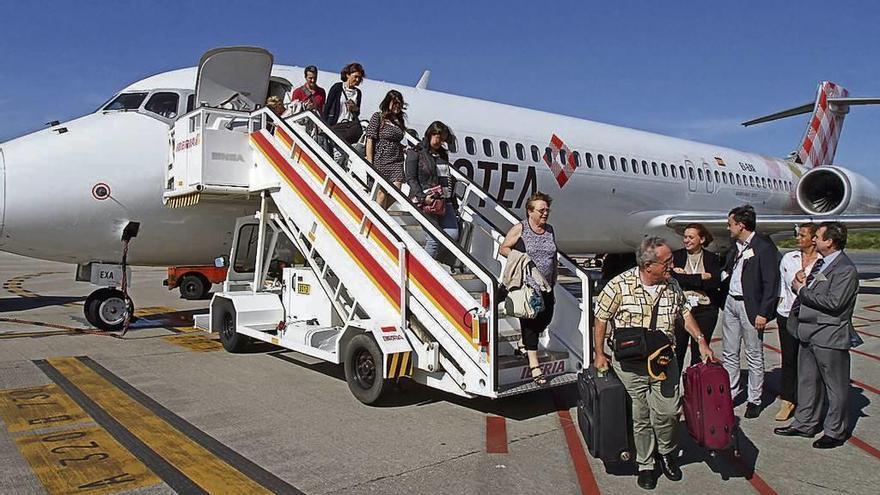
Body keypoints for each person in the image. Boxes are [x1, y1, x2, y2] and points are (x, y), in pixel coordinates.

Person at [594, 237, 715, 490]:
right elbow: (601, 319)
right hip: (631, 363)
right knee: (641, 415)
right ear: (648, 266)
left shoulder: (672, 284)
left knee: (668, 412)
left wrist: (701, 341)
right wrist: (599, 353)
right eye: (667, 261)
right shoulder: (619, 286)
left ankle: (666, 451)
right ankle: (646, 463)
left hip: (663, 360)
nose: (672, 265)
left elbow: (684, 313)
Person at [774, 222, 859, 449]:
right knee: (807, 381)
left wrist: (801, 290)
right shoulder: (822, 264)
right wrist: (800, 284)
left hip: (829, 335)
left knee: (835, 386)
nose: (814, 240)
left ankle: (835, 430)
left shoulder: (844, 269)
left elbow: (834, 302)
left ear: (830, 241)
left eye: (818, 237)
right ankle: (805, 423)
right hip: (809, 332)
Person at [721, 204, 779, 419]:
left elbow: (770, 282)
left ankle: (754, 398)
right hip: (731, 303)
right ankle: (732, 392)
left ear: (741, 225)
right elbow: (727, 270)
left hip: (751, 306)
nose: (728, 228)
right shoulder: (735, 246)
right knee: (729, 351)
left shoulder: (763, 247)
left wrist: (764, 312)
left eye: (731, 224)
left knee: (753, 354)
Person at [499, 192, 558, 386]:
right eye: (541, 210)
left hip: (547, 284)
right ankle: (535, 367)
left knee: (546, 318)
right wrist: (521, 257)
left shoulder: (549, 230)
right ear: (530, 211)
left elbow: (552, 253)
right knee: (530, 324)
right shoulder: (521, 228)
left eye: (547, 210)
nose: (545, 213)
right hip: (529, 285)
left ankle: (524, 344)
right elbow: (504, 248)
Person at [774, 223, 821, 421]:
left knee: (811, 361)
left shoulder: (823, 261)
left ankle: (810, 399)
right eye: (798, 235)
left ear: (813, 239)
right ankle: (788, 399)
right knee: (789, 359)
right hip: (787, 314)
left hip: (811, 316)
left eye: (802, 235)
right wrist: (800, 280)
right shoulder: (789, 258)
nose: (798, 239)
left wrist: (802, 281)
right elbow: (792, 283)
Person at [671, 223, 722, 371]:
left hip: (705, 310)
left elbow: (714, 283)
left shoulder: (712, 258)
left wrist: (686, 277)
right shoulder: (677, 256)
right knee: (677, 352)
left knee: (698, 352)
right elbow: (674, 279)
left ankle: (693, 390)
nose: (686, 240)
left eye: (691, 237)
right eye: (685, 237)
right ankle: (673, 390)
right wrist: (700, 278)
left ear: (701, 239)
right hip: (682, 310)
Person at [406, 121, 459, 259]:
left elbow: (445, 178)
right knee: (433, 239)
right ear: (430, 133)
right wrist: (423, 198)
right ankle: (425, 270)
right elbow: (411, 178)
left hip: (443, 201)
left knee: (453, 235)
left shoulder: (442, 155)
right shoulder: (416, 152)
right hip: (426, 201)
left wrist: (453, 202)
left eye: (442, 139)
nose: (439, 141)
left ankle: (425, 259)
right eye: (437, 136)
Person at [366, 90, 407, 209]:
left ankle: (380, 212)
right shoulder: (378, 116)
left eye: (399, 104)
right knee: (382, 193)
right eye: (395, 103)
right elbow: (370, 138)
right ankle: (379, 214)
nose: (397, 107)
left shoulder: (399, 121)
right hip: (382, 158)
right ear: (388, 103)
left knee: (397, 191)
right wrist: (370, 161)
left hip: (396, 159)